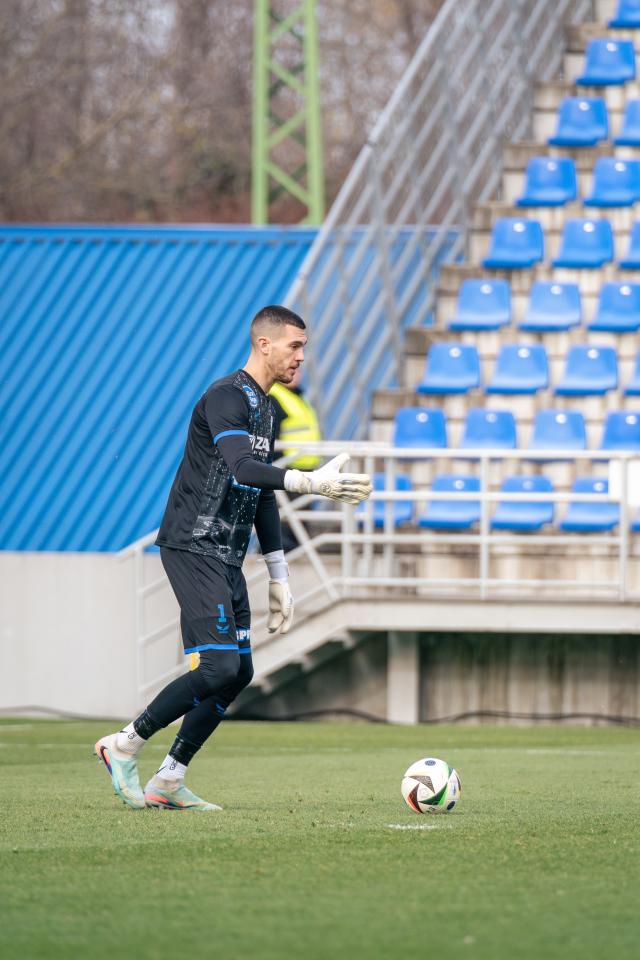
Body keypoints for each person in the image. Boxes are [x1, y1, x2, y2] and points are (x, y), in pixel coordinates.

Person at [95, 304, 372, 811]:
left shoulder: (268, 408)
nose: (302, 357)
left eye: (304, 347)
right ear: (264, 344)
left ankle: (169, 780)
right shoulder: (226, 395)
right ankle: (124, 744)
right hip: (192, 545)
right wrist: (311, 482)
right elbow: (244, 468)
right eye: (295, 346)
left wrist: (279, 573)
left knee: (238, 672)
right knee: (219, 667)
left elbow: (261, 493)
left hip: (226, 555)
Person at [270, 365, 322, 552]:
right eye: (292, 369)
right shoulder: (274, 397)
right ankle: (282, 554)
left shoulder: (299, 395)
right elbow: (271, 437)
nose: (296, 374)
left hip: (305, 469)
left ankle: (295, 553)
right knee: (285, 521)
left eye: (299, 370)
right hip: (287, 468)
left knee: (299, 520)